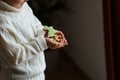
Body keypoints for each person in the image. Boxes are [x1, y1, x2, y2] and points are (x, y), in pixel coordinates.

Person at [0, 0, 68, 80]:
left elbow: (36, 26)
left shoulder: (24, 6)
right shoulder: (3, 23)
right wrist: (43, 42)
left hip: (38, 73)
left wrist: (48, 33)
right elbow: (14, 58)